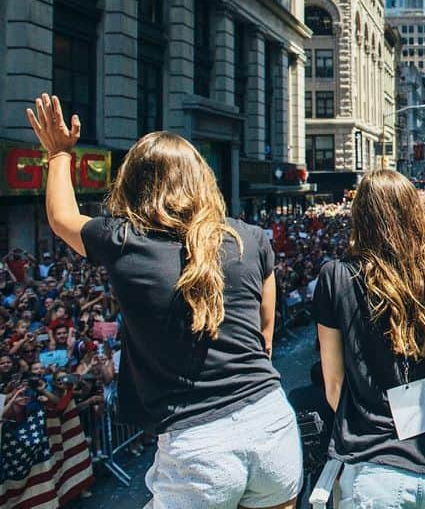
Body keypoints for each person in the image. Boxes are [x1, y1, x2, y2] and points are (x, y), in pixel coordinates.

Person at [28, 94, 302, 509]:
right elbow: (265, 337)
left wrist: (60, 154)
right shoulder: (250, 237)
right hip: (272, 427)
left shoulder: (124, 243)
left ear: (133, 185)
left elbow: (62, 219)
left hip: (199, 449)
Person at [314, 169, 425, 509]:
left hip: (373, 468)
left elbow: (333, 385)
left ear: (361, 217)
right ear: (415, 213)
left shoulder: (336, 277)